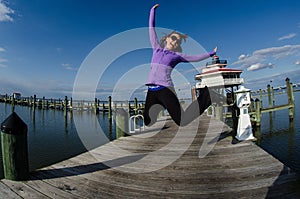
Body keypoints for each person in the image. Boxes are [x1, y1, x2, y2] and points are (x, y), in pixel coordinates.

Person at [143, 4, 217, 126]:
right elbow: (151, 29)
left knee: (181, 121)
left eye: (177, 41)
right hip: (151, 90)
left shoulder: (176, 56)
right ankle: (161, 105)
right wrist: (152, 11)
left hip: (166, 89)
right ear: (166, 38)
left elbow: (195, 58)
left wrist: (211, 53)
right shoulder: (156, 48)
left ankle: (207, 97)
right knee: (148, 122)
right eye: (173, 38)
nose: (175, 41)